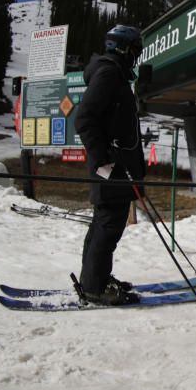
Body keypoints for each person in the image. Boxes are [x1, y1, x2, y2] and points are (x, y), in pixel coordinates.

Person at [74, 25, 147, 305]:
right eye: (135, 50)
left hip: (115, 167)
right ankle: (95, 287)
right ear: (123, 48)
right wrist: (105, 157)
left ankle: (95, 278)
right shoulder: (108, 74)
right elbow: (84, 119)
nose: (136, 56)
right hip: (110, 169)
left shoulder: (115, 74)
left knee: (104, 224)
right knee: (107, 226)